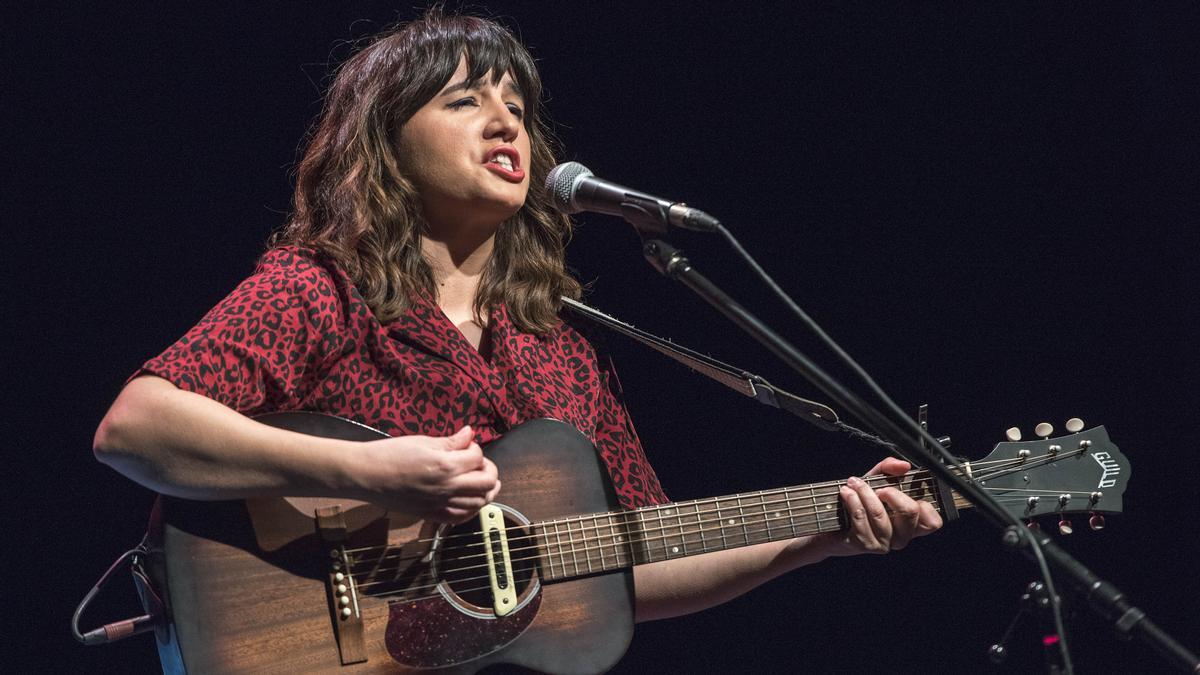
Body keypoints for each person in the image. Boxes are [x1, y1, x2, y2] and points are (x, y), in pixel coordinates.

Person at [92, 9, 941, 628]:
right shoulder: (323, 291)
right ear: (385, 147)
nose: (506, 121)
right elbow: (136, 426)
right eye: (463, 101)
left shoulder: (560, 352)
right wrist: (369, 471)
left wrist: (821, 535)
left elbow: (633, 564)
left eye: (516, 106)